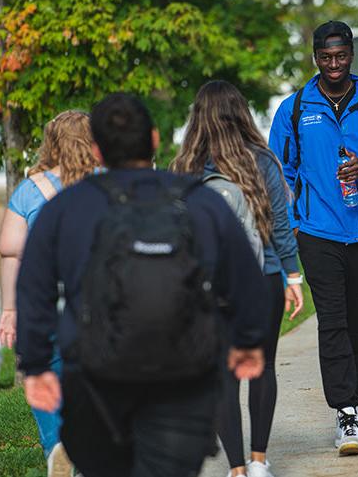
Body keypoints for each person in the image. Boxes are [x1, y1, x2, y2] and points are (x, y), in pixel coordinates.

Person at [16, 93, 269, 477]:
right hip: (183, 377)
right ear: (153, 139)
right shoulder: (199, 201)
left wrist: (35, 365)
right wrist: (248, 341)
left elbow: (34, 291)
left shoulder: (65, 209)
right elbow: (247, 278)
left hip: (95, 380)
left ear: (97, 151)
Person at [269, 20, 358, 456]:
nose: (334, 64)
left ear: (352, 55)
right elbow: (280, 173)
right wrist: (290, 221)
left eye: (341, 56)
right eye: (326, 57)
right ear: (315, 57)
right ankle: (346, 413)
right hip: (317, 232)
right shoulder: (295, 109)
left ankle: (356, 402)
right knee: (331, 321)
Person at [171, 80, 303, 477]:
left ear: (198, 117)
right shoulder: (261, 161)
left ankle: (236, 468)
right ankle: (260, 460)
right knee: (262, 366)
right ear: (241, 113)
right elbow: (281, 225)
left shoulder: (184, 169)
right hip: (260, 277)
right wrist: (292, 275)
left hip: (207, 287)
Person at [0, 109, 98, 476]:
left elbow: (10, 250)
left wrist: (10, 309)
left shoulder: (30, 190)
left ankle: (57, 445)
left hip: (46, 306)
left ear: (51, 143)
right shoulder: (106, 183)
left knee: (45, 382)